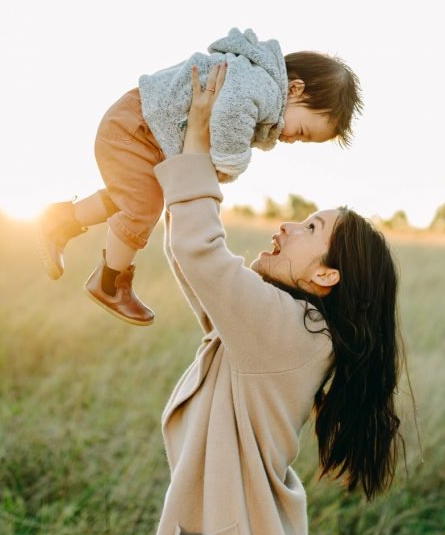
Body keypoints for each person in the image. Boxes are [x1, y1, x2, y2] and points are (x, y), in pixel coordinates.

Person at [139, 63, 408, 535]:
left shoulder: (292, 332)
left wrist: (200, 142)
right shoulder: (289, 327)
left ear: (325, 277)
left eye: (311, 228)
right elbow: (197, 268)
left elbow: (201, 254)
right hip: (231, 531)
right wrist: (187, 162)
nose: (287, 226)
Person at [36, 27, 362, 326]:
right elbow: (231, 117)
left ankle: (61, 219)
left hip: (142, 127)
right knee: (142, 207)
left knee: (130, 197)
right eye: (302, 131)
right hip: (137, 127)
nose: (293, 140)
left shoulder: (257, 82)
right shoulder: (260, 85)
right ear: (295, 88)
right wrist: (227, 165)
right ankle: (109, 283)